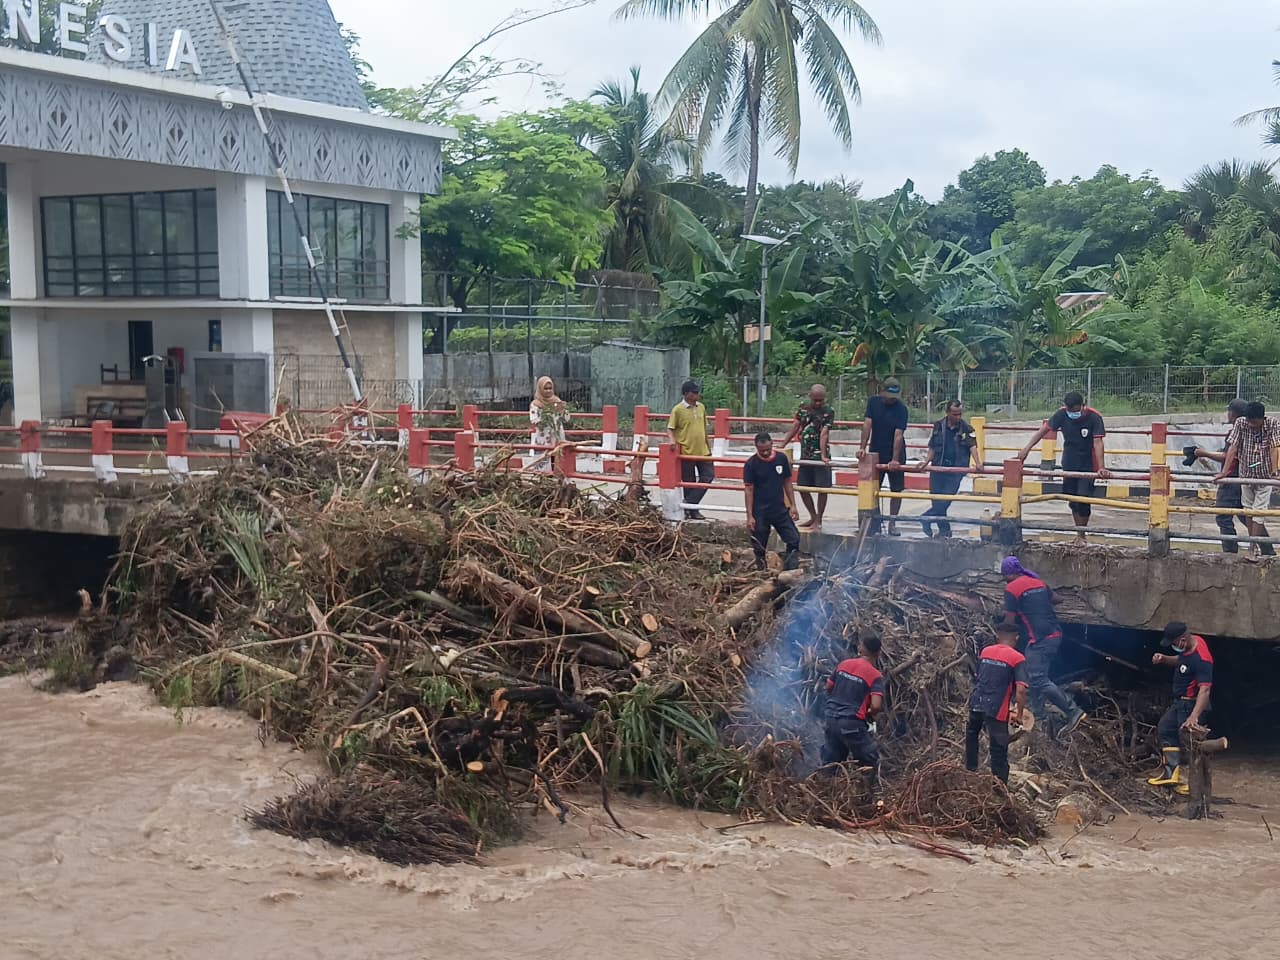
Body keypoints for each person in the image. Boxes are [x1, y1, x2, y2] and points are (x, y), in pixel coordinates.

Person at [1000, 556, 1087, 737]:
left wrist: (999, 641)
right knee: (1032, 672)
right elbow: (1057, 599)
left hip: (1041, 639)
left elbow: (1009, 621)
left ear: (1007, 574)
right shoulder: (1037, 582)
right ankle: (1037, 713)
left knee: (1038, 678)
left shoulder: (1011, 589)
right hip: (1053, 634)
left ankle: (1074, 711)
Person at [1016, 391, 1112, 541]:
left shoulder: (1094, 417)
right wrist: (1026, 448)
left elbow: (1098, 442)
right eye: (1069, 411)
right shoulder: (1061, 414)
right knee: (1072, 499)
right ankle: (1078, 532)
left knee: (1083, 498)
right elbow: (1042, 431)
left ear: (1082, 406)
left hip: (1088, 463)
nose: (1072, 414)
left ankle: (1082, 534)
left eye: (1074, 411)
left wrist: (1101, 467)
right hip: (1069, 462)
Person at [1146, 622, 1213, 796]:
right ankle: (1171, 773)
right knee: (1165, 729)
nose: (1173, 646)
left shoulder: (1202, 658)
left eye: (1173, 643)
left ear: (1182, 640)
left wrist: (1194, 716)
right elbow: (1181, 661)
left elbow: (1205, 690)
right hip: (1179, 702)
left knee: (1189, 745)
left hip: (1192, 704)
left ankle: (1193, 785)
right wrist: (1164, 659)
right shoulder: (1190, 645)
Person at [966, 619, 1029, 784]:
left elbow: (979, 677)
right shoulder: (1017, 658)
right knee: (998, 748)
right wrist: (1020, 715)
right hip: (997, 708)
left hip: (976, 702)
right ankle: (999, 787)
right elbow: (1021, 689)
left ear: (998, 636)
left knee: (972, 736)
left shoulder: (985, 652)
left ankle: (969, 772)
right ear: (1016, 638)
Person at [1215, 401, 1280, 558]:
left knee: (1258, 512)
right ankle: (1258, 548)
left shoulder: (1272, 424)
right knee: (1248, 512)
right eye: (1249, 421)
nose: (1251, 425)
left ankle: (1252, 548)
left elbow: (1274, 448)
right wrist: (1224, 472)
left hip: (1264, 476)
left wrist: (1275, 473)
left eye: (1255, 422)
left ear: (1262, 419)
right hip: (1245, 474)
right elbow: (1233, 447)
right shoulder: (1241, 423)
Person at [1187, 399, 1249, 554]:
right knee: (1248, 517)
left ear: (1233, 414)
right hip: (1243, 479)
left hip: (1231, 480)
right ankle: (1266, 548)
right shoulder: (1250, 431)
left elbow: (1228, 456)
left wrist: (1204, 453)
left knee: (1224, 517)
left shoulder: (1236, 431)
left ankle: (1230, 552)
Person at [821, 633, 885, 777]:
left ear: (861, 649)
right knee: (869, 760)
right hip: (852, 724)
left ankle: (824, 791)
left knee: (831, 762)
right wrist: (869, 715)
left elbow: (829, 687)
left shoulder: (843, 664)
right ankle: (866, 795)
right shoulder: (875, 676)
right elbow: (876, 705)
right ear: (878, 653)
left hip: (831, 718)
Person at [917, 400, 981, 538]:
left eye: (960, 414)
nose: (958, 417)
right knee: (936, 501)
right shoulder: (938, 426)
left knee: (945, 501)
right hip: (938, 468)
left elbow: (972, 446)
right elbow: (933, 446)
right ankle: (945, 532)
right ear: (947, 413)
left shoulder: (966, 428)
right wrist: (926, 462)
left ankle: (925, 518)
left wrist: (978, 463)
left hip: (955, 471)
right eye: (955, 414)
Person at [859, 377, 909, 535]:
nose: (891, 401)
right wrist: (862, 448)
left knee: (895, 490)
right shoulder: (873, 402)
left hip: (896, 451)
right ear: (881, 392)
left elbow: (898, 435)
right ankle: (874, 522)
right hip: (876, 452)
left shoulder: (902, 409)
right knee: (873, 488)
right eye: (888, 397)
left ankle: (892, 522)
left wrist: (894, 459)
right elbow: (867, 425)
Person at [743, 432, 801, 571]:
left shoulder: (781, 459)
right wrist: (750, 515)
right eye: (762, 450)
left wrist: (793, 505)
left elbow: (787, 482)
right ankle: (761, 571)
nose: (765, 452)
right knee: (759, 545)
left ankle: (790, 568)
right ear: (756, 447)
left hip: (779, 509)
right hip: (760, 511)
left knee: (794, 538)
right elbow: (749, 490)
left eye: (768, 449)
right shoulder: (751, 465)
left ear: (772, 444)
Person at [782, 383, 835, 530]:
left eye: (821, 400)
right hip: (805, 454)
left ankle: (819, 519)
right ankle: (812, 515)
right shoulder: (803, 407)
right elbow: (796, 426)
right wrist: (782, 444)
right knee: (803, 487)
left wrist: (824, 455)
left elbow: (825, 433)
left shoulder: (829, 411)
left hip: (819, 455)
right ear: (810, 396)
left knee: (822, 489)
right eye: (815, 400)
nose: (818, 403)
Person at [667, 379, 712, 520]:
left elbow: (704, 429)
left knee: (708, 476)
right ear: (686, 394)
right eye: (695, 392)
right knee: (689, 482)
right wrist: (672, 441)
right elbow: (670, 428)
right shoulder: (678, 410)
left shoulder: (701, 407)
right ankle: (693, 511)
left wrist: (709, 447)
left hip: (703, 450)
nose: (698, 395)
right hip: (686, 450)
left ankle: (689, 503)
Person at [529, 376, 569, 473]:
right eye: (545, 389)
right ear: (540, 389)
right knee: (544, 457)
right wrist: (545, 418)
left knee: (557, 455)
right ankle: (545, 477)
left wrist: (563, 411)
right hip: (544, 436)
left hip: (557, 435)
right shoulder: (535, 404)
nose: (548, 391)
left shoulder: (557, 401)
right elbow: (534, 420)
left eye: (550, 388)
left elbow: (566, 419)